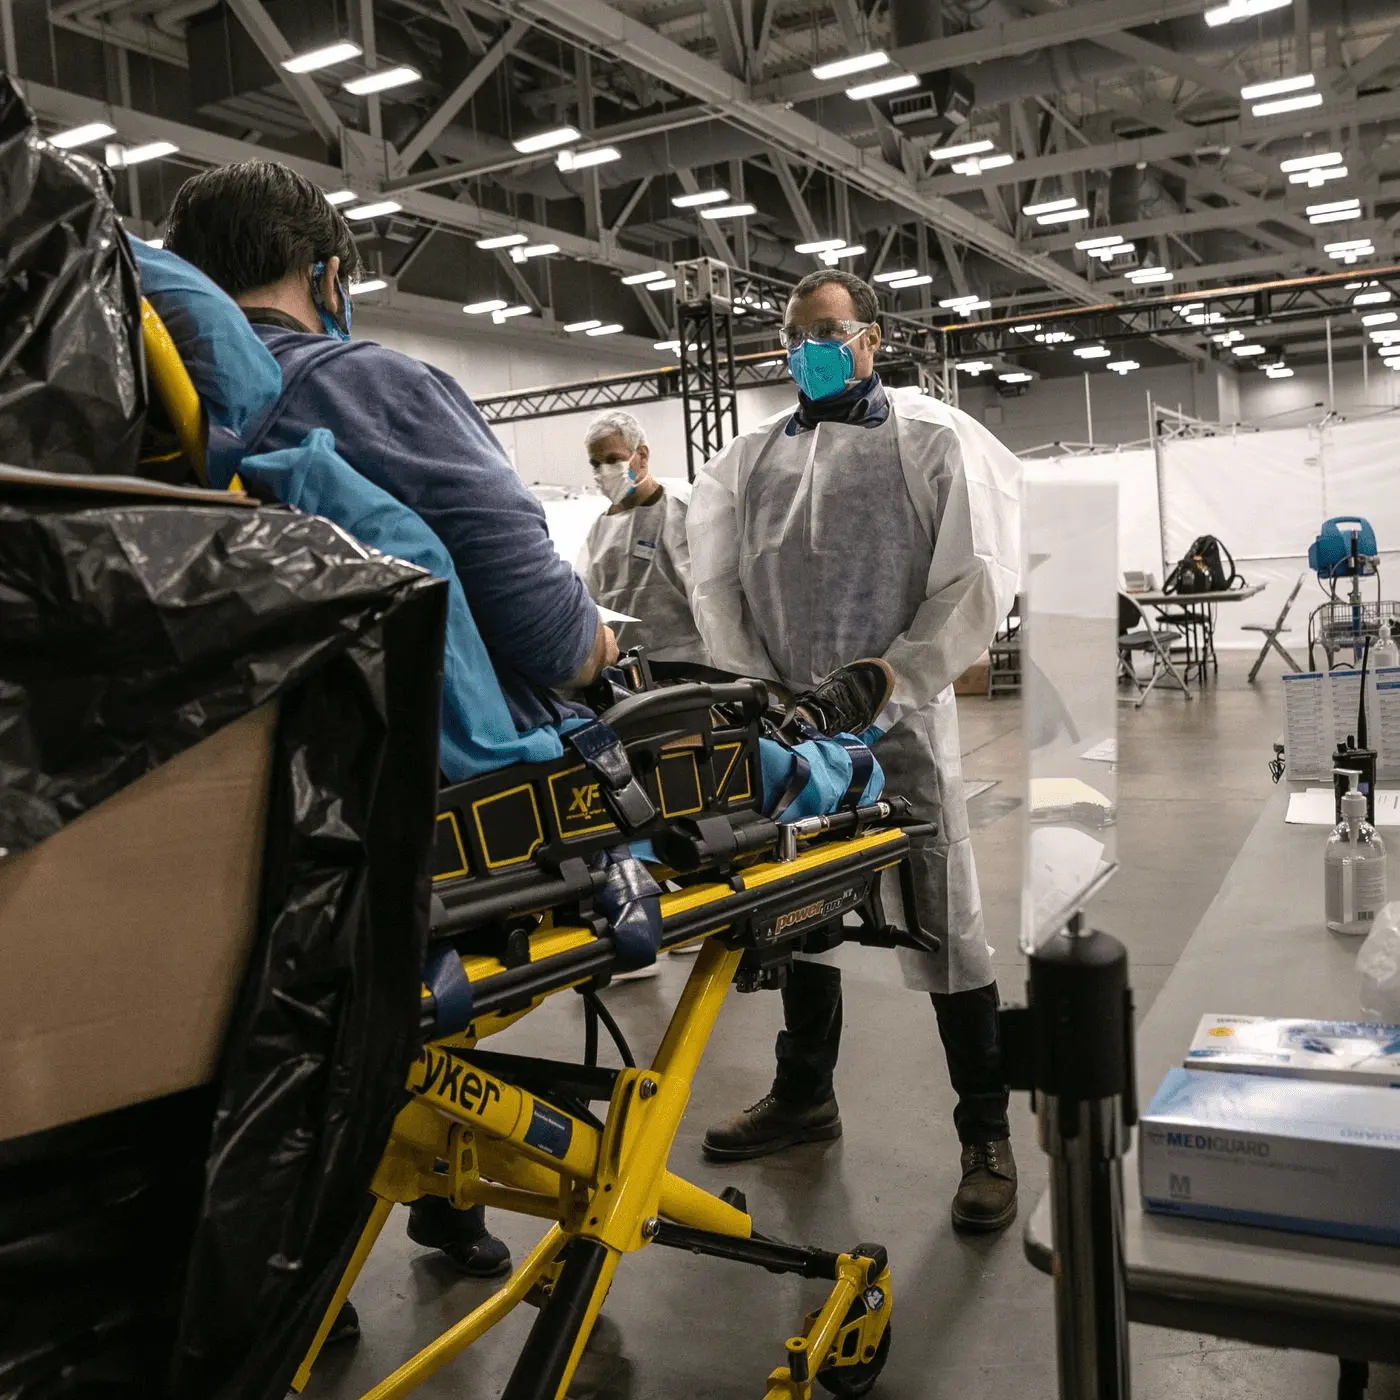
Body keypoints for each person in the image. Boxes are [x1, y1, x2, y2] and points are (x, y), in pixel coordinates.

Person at [165, 160, 618, 1306]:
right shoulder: (370, 386)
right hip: (427, 807)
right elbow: (550, 638)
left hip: (212, 831)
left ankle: (377, 1223)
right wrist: (603, 647)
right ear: (326, 274)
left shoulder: (132, 417)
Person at [687, 268, 1022, 1233]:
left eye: (829, 334)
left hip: (899, 725)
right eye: (796, 339)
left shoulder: (931, 440)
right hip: (793, 727)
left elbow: (975, 579)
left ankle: (985, 1133)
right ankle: (805, 1096)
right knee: (801, 905)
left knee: (946, 919)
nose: (811, 353)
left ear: (872, 338)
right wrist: (766, 695)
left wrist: (888, 681)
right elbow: (718, 591)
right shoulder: (749, 460)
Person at [576, 410, 709, 667]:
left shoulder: (681, 507)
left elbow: (713, 596)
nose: (604, 471)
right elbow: (589, 602)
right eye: (596, 464)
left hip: (692, 664)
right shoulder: (600, 530)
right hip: (630, 669)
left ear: (642, 455)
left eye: (613, 460)